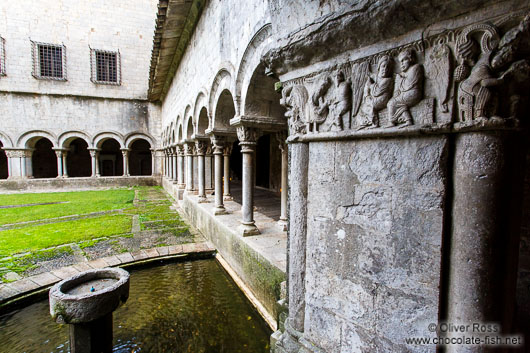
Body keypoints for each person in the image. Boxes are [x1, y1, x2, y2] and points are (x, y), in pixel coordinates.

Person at [388, 49, 423, 126]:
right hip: (406, 94)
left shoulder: (416, 68)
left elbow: (409, 84)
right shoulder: (402, 74)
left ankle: (392, 121)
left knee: (391, 103)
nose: (402, 64)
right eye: (400, 62)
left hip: (413, 93)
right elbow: (396, 91)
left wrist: (399, 79)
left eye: (404, 60)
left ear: (410, 59)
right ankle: (408, 120)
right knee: (396, 102)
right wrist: (397, 83)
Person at [357, 55, 393, 128]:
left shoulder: (388, 80)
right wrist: (367, 95)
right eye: (383, 66)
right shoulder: (375, 76)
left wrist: (371, 85)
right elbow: (368, 84)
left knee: (371, 105)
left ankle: (375, 123)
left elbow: (376, 92)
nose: (385, 69)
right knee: (362, 109)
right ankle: (365, 123)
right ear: (379, 67)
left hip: (383, 99)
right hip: (374, 97)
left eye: (388, 67)